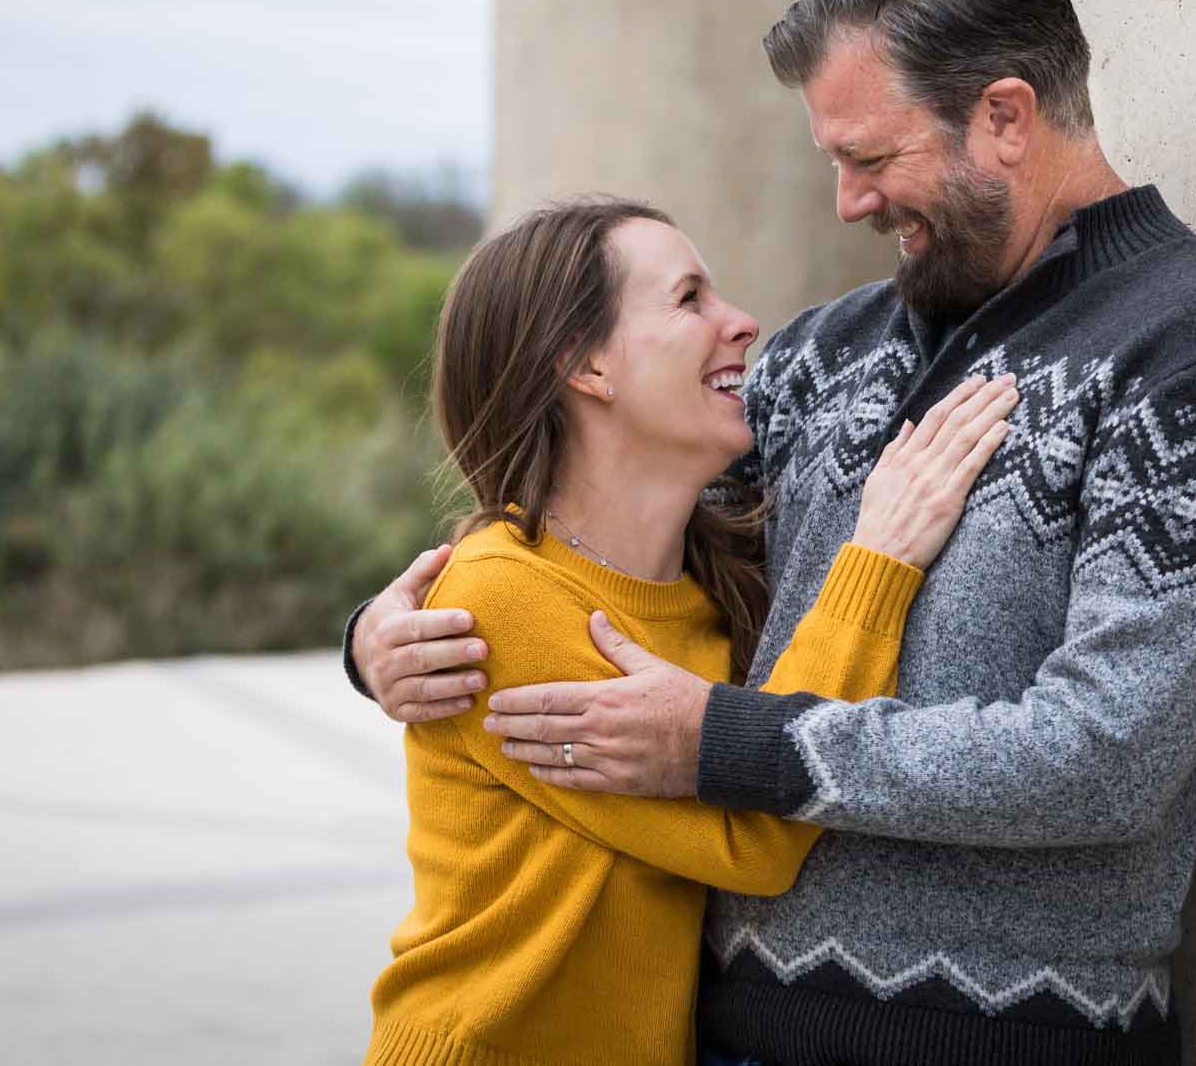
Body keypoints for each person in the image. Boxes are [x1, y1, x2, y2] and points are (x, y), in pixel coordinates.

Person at [349, 0, 1196, 1066]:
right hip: (719, 1035)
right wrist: (376, 638)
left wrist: (734, 743)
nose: (847, 203)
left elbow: (1108, 757)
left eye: (869, 158)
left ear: (1002, 117)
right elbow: (601, 537)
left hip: (1004, 1047)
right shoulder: (824, 355)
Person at [359, 195, 1017, 1066]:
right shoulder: (499, 598)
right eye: (688, 299)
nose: (742, 322)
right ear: (587, 365)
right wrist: (881, 551)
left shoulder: (714, 589)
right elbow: (753, 838)